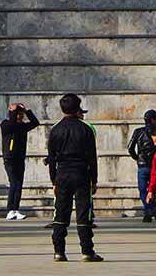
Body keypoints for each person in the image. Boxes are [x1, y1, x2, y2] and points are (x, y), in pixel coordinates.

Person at [47, 93, 102, 262]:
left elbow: (51, 159)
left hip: (62, 174)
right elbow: (92, 157)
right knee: (84, 213)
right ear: (78, 107)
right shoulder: (87, 128)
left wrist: (53, 180)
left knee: (60, 213)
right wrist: (94, 179)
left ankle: (59, 251)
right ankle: (87, 251)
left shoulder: (55, 129)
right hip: (81, 174)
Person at [0, 102, 40, 220]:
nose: (20, 117)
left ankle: (15, 209)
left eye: (21, 115)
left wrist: (27, 111)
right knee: (14, 183)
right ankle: (10, 210)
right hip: (9, 159)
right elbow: (12, 125)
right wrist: (13, 111)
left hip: (20, 158)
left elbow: (35, 123)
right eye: (18, 114)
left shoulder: (22, 127)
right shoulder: (6, 125)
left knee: (19, 184)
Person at [127, 109, 156, 222]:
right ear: (152, 120)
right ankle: (152, 209)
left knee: (143, 190)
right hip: (155, 164)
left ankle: (148, 210)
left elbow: (130, 148)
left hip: (142, 165)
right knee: (154, 188)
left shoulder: (138, 132)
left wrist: (137, 158)